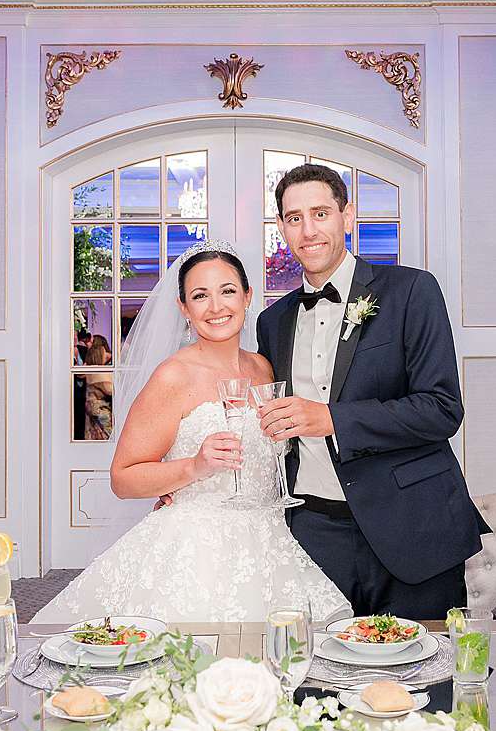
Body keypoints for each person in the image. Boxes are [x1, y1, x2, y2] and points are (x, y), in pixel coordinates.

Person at [34, 242, 350, 624]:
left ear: (247, 296)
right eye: (200, 296)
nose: (216, 307)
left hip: (269, 543)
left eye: (228, 291)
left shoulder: (264, 369)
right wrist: (194, 467)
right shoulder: (174, 376)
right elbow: (123, 478)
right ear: (184, 308)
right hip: (195, 553)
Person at [255, 163, 488, 620]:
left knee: (422, 682)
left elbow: (441, 409)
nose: (308, 230)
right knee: (318, 684)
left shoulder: (411, 291)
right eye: (294, 218)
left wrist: (333, 419)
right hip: (313, 532)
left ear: (348, 216)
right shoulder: (273, 321)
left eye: (320, 213)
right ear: (281, 227)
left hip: (412, 528)